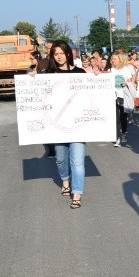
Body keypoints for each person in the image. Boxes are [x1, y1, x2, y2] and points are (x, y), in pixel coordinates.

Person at [42, 40, 87, 209]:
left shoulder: (80, 73)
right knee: (61, 159)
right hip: (57, 126)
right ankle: (65, 180)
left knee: (77, 161)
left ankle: (77, 194)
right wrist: (32, 77)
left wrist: (97, 78)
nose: (60, 57)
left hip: (77, 126)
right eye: (56, 54)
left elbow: (91, 94)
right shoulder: (48, 75)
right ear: (52, 56)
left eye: (62, 53)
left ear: (69, 53)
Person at [108, 51, 134, 147]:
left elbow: (131, 83)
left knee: (123, 118)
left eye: (114, 59)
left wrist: (126, 83)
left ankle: (123, 133)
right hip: (113, 97)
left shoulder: (126, 70)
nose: (112, 61)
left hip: (124, 97)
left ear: (120, 60)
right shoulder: (111, 70)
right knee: (116, 119)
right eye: (111, 59)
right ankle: (118, 138)